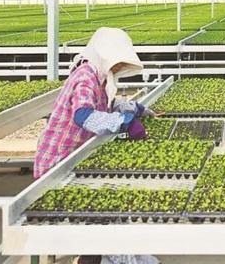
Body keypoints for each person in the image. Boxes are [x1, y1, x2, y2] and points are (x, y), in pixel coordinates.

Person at [34, 27, 158, 179]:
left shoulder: (100, 76)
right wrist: (125, 123)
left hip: (79, 156)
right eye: (117, 59)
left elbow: (104, 104)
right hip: (58, 161)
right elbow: (83, 115)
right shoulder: (85, 77)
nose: (120, 66)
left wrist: (134, 108)